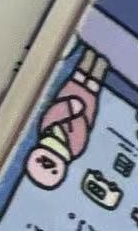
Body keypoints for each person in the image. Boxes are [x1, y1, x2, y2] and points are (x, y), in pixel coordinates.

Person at [25, 47, 109, 190]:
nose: (47, 165)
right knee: (93, 83)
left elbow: (54, 112)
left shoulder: (45, 130)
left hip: (71, 93)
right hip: (86, 109)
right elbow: (83, 131)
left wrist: (69, 107)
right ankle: (100, 64)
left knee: (80, 75)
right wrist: (76, 114)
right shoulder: (74, 149)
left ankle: (90, 54)